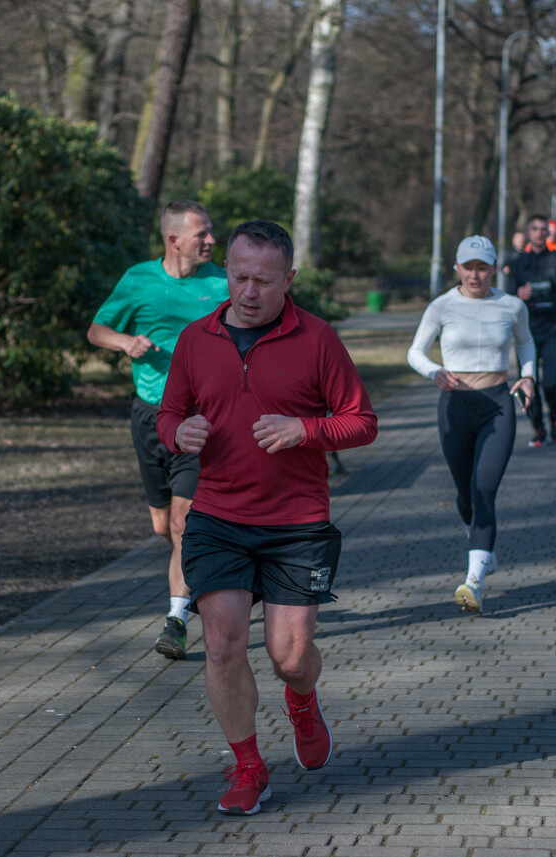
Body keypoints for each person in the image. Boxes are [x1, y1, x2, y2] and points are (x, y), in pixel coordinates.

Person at [157, 220, 377, 815]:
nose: (247, 292)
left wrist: (305, 429)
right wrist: (181, 432)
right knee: (222, 646)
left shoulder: (318, 339)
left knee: (290, 658)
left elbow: (361, 421)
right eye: (238, 277)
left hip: (296, 523)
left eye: (262, 280)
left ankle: (302, 701)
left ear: (289, 279)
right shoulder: (197, 339)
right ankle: (249, 768)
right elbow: (169, 413)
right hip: (219, 516)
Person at [87, 200, 228, 660]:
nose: (211, 241)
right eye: (202, 234)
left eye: (210, 233)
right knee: (163, 524)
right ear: (174, 240)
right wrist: (125, 341)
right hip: (150, 414)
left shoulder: (223, 283)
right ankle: (200, 572)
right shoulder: (138, 280)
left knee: (185, 521)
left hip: (198, 419)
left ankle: (176, 618)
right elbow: (96, 330)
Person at [406, 236, 535, 613]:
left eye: (482, 267)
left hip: (497, 404)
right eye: (468, 267)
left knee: (483, 492)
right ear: (457, 269)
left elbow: (526, 345)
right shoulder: (441, 306)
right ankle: (483, 547)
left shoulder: (512, 306)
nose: (475, 275)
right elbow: (415, 351)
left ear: (494, 268)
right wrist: (434, 372)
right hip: (454, 405)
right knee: (465, 493)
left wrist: (528, 377)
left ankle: (473, 581)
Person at [508, 214, 556, 446]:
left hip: (553, 329)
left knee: (550, 382)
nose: (540, 233)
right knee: (527, 382)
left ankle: (555, 416)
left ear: (549, 233)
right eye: (535, 229)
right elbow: (508, 296)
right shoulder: (518, 262)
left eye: (544, 229)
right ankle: (537, 427)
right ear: (528, 233)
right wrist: (518, 296)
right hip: (527, 331)